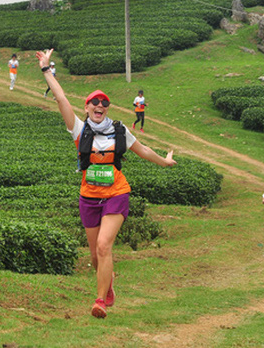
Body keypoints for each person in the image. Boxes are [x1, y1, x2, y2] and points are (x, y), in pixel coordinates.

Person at [36, 48, 176, 319]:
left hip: (116, 193)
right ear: (86, 108)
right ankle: (108, 284)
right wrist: (46, 70)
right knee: (94, 256)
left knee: (104, 246)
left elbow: (144, 151)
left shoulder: (120, 131)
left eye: (104, 103)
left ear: (107, 108)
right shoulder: (79, 129)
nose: (99, 106)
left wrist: (165, 162)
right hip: (88, 196)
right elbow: (61, 97)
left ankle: (100, 301)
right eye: (94, 103)